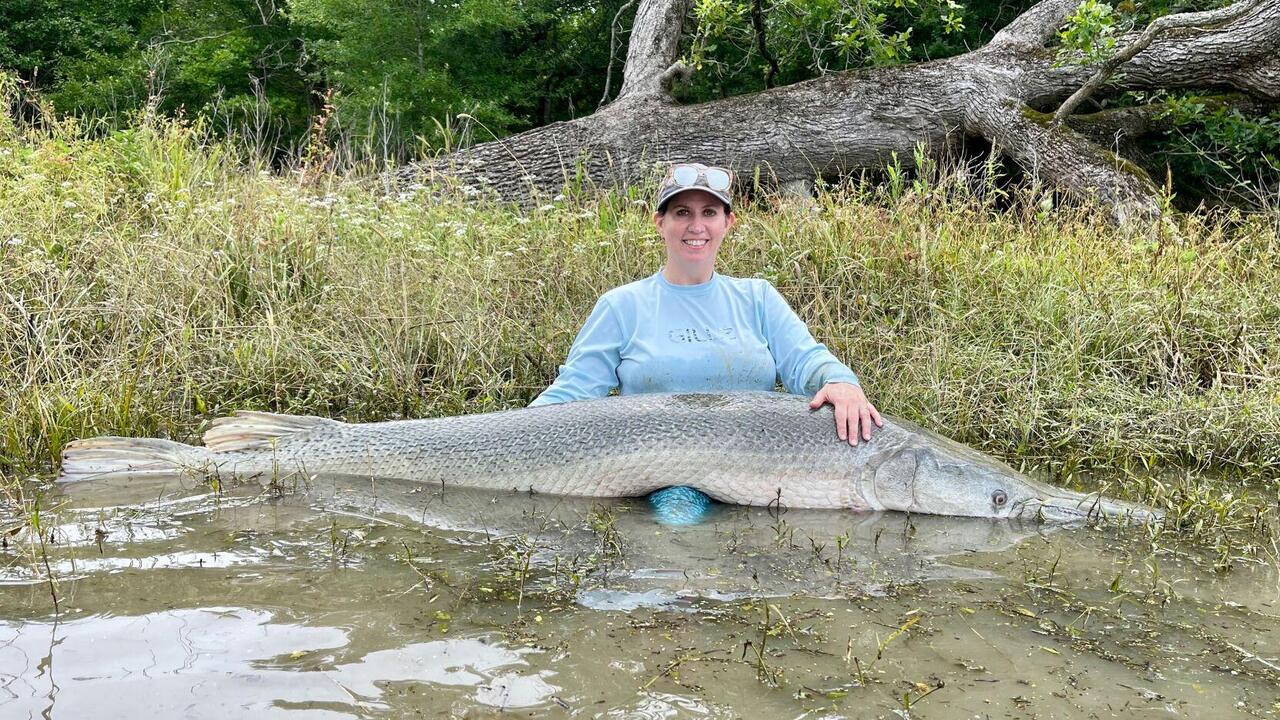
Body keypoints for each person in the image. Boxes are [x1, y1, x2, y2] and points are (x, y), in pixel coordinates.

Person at [531, 162, 882, 447]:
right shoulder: (621, 305)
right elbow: (574, 393)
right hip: (655, 467)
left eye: (709, 212)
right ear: (660, 222)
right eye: (682, 212)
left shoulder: (757, 297)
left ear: (727, 222)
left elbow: (805, 360)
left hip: (752, 461)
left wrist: (841, 382)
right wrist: (503, 431)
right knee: (680, 521)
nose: (696, 226)